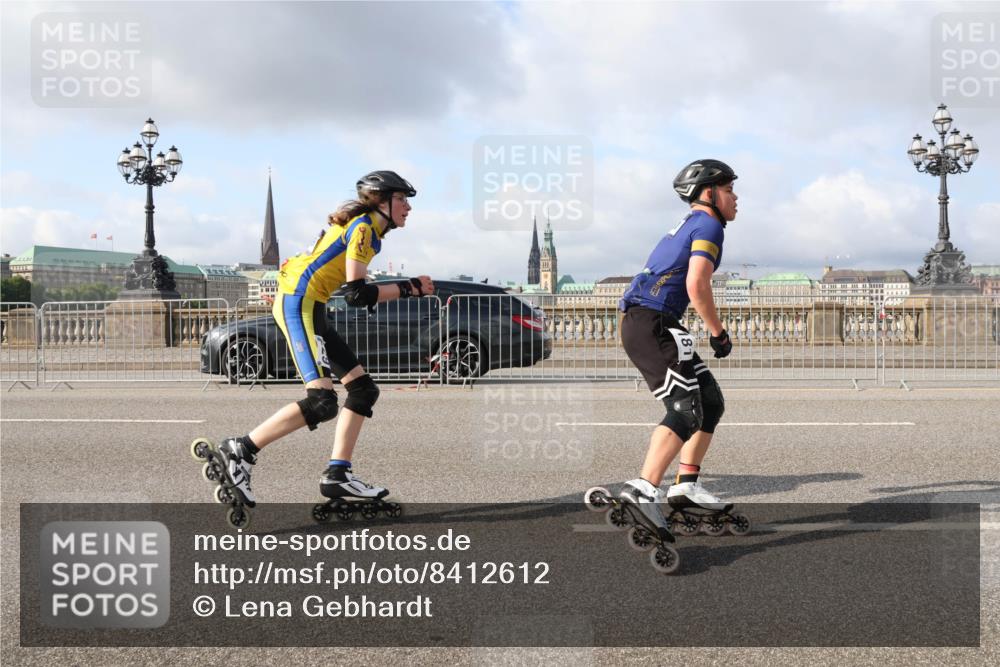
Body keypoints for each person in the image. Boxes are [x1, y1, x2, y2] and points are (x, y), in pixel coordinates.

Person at [213, 170, 434, 508]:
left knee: (363, 391)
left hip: (313, 306)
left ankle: (338, 475)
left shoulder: (369, 231)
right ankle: (240, 449)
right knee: (321, 402)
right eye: (402, 199)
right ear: (382, 201)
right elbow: (356, 295)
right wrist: (411, 287)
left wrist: (407, 288)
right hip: (298, 303)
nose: (408, 207)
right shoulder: (363, 229)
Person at [617, 159, 738, 535]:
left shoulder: (691, 224)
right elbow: (697, 284)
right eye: (729, 190)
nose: (736, 198)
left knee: (710, 401)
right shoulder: (708, 225)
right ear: (709, 193)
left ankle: (685, 486)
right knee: (685, 408)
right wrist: (718, 332)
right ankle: (643, 489)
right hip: (651, 323)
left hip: (657, 322)